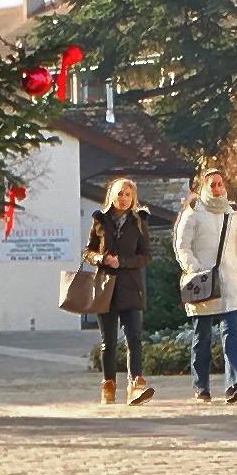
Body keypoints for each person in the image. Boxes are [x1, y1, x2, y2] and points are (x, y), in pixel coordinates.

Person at [173, 167, 237, 405]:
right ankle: (201, 386)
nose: (217, 188)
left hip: (230, 282)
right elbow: (182, 246)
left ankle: (234, 385)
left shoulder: (231, 214)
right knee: (203, 336)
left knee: (231, 334)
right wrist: (195, 269)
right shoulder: (193, 213)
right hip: (203, 284)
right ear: (203, 187)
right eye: (212, 185)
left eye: (220, 184)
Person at [85, 175, 154, 408]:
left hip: (131, 287)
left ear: (133, 197)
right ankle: (108, 384)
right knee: (109, 342)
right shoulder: (99, 219)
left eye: (128, 194)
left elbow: (145, 256)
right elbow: (88, 251)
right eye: (120, 194)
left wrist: (122, 262)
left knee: (134, 338)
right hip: (106, 287)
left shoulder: (139, 221)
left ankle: (136, 384)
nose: (123, 199)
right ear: (112, 196)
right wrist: (100, 258)